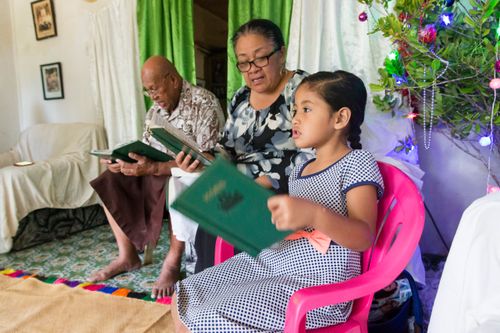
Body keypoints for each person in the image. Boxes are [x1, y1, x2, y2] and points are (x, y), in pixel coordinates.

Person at [171, 70, 384, 332]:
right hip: (274, 261)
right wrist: (255, 213)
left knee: (208, 315)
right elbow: (290, 222)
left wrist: (315, 215)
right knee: (187, 292)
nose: (295, 118)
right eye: (294, 109)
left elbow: (364, 237)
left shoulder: (356, 162)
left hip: (317, 281)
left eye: (306, 109)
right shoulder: (301, 166)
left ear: (340, 117)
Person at [173, 18, 311, 273]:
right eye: (244, 62)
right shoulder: (241, 96)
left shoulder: (304, 90)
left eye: (260, 58)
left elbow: (317, 151)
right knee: (206, 219)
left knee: (229, 223)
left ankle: (234, 295)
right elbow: (228, 148)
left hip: (285, 188)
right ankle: (208, 294)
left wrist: (266, 182)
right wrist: (202, 159)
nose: (252, 69)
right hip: (241, 185)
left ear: (281, 53)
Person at [88, 55, 224, 299]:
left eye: (154, 89)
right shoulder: (154, 112)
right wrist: (125, 162)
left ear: (172, 79)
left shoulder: (204, 103)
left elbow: (208, 161)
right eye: (147, 91)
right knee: (110, 179)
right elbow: (147, 150)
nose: (152, 96)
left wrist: (154, 168)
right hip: (155, 172)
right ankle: (127, 256)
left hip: (187, 175)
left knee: (178, 181)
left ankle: (172, 263)